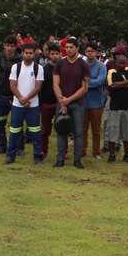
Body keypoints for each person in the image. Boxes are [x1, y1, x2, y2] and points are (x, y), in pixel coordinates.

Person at [52, 37, 91, 168]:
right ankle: (60, 159)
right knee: (61, 130)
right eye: (66, 47)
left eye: (71, 47)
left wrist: (69, 99)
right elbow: (55, 84)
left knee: (79, 132)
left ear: (77, 48)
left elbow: (84, 88)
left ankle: (77, 159)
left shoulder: (83, 65)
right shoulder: (60, 64)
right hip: (61, 102)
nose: (68, 50)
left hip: (77, 104)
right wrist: (62, 102)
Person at [4, 41, 44, 164]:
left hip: (32, 106)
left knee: (35, 133)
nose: (28, 55)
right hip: (17, 105)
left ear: (34, 54)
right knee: (14, 131)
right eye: (26, 53)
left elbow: (38, 87)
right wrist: (21, 99)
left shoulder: (38, 68)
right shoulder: (16, 67)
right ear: (22, 53)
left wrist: (26, 99)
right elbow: (12, 85)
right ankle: (10, 155)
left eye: (30, 53)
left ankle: (37, 156)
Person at [104, 48, 128, 164]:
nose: (122, 65)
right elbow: (112, 86)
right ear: (116, 63)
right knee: (112, 131)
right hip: (115, 107)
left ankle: (127, 154)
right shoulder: (111, 72)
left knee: (127, 132)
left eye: (124, 63)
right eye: (120, 63)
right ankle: (112, 154)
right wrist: (126, 82)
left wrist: (122, 84)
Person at [81, 43, 107, 159]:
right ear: (85, 53)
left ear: (97, 53)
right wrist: (92, 81)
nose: (90, 53)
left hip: (97, 103)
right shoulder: (82, 65)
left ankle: (96, 152)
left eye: (92, 51)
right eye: (88, 51)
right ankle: (82, 150)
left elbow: (101, 82)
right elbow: (78, 80)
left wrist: (86, 83)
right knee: (83, 129)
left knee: (96, 130)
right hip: (83, 102)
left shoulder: (101, 66)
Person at [38, 43, 61, 161]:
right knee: (45, 129)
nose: (55, 56)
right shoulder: (44, 69)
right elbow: (40, 86)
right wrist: (41, 102)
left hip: (60, 102)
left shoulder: (63, 67)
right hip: (46, 102)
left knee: (62, 127)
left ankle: (64, 152)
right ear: (49, 54)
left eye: (57, 54)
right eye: (53, 54)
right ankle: (43, 150)